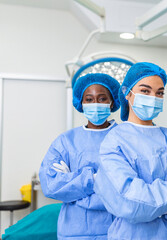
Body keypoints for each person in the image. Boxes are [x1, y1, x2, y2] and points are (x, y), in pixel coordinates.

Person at [93, 62, 167, 240]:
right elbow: (130, 200)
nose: (153, 97)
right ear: (128, 93)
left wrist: (159, 205)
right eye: (145, 91)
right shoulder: (114, 141)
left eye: (159, 93)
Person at [39, 73, 120, 240]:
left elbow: (131, 187)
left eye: (102, 98)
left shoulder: (125, 138)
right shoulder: (66, 142)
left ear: (112, 102)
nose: (95, 104)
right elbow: (51, 185)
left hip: (118, 229)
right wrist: (96, 178)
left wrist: (73, 183)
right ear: (81, 103)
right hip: (75, 231)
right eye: (89, 99)